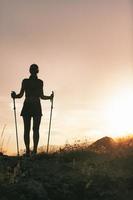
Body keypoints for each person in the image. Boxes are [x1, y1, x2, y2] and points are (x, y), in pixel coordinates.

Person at [11, 64, 54, 156]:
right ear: (36, 71)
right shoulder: (39, 82)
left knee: (28, 129)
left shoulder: (26, 81)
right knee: (35, 129)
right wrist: (49, 97)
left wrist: (15, 96)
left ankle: (29, 151)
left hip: (28, 106)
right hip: (35, 106)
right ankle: (32, 151)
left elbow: (20, 95)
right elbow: (41, 96)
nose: (33, 71)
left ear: (31, 71)